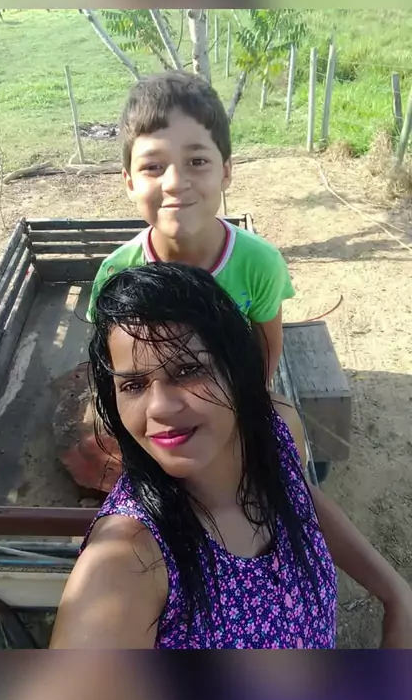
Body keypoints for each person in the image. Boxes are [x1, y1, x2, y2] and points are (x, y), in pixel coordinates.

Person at [52, 263, 412, 650]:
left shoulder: (277, 429)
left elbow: (300, 496)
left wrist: (396, 593)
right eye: (134, 385)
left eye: (188, 370)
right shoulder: (128, 559)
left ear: (236, 370)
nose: (159, 408)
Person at [86, 70, 294, 380]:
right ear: (129, 183)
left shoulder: (259, 264)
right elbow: (112, 362)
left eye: (197, 162)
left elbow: (267, 349)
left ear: (225, 172)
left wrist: (253, 400)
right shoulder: (116, 274)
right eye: (153, 166)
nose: (174, 183)